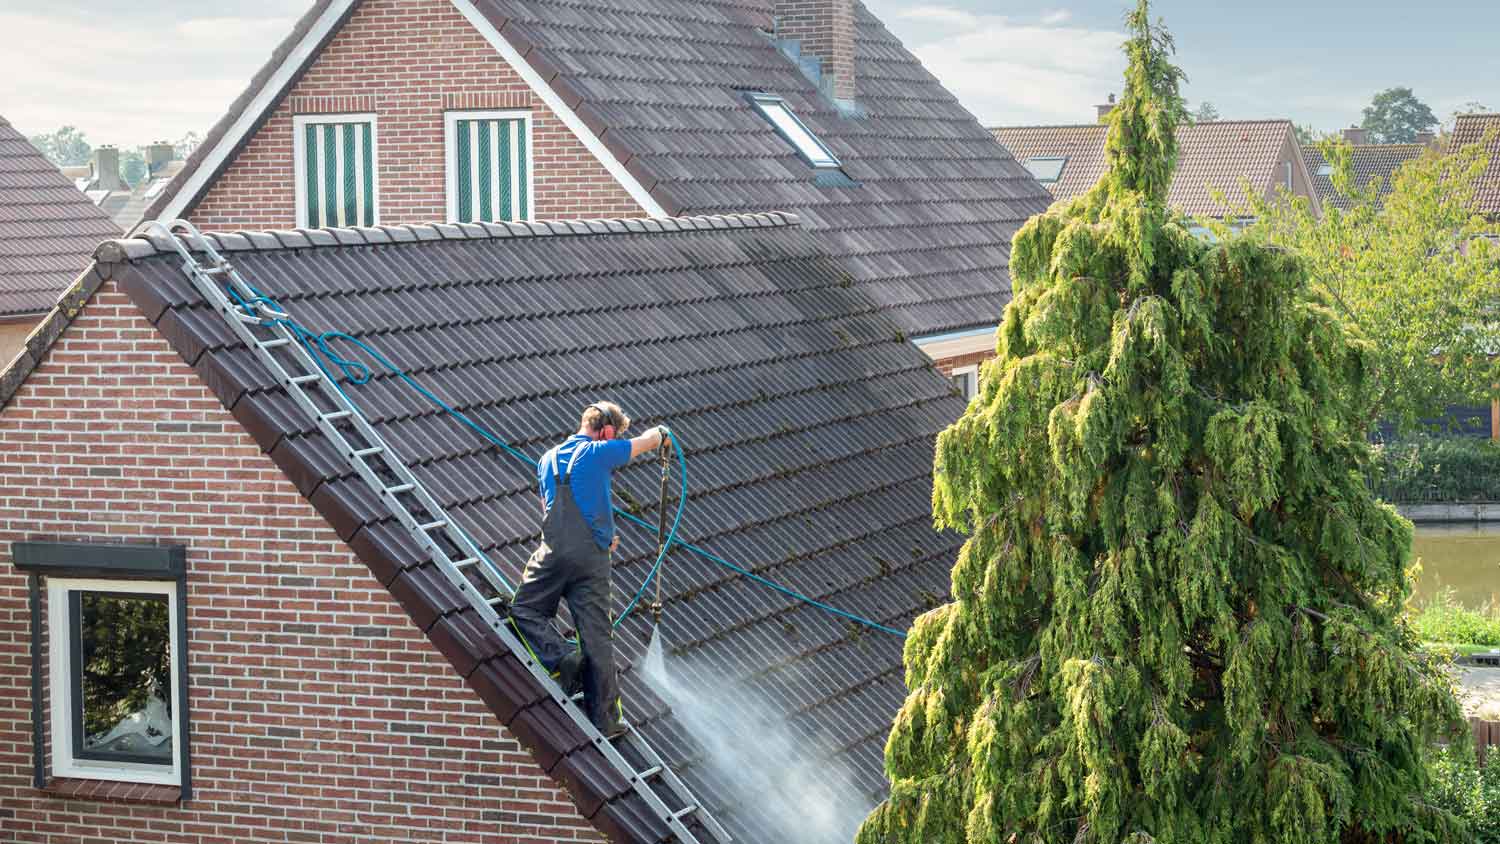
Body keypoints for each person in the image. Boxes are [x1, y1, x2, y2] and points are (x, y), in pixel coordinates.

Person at [508, 401, 670, 737]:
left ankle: (560, 657)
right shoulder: (599, 452)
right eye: (614, 434)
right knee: (597, 637)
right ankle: (606, 720)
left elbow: (550, 511)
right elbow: (646, 442)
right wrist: (663, 435)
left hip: (552, 554)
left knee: (524, 610)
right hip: (592, 560)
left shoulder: (546, 460)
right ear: (607, 431)